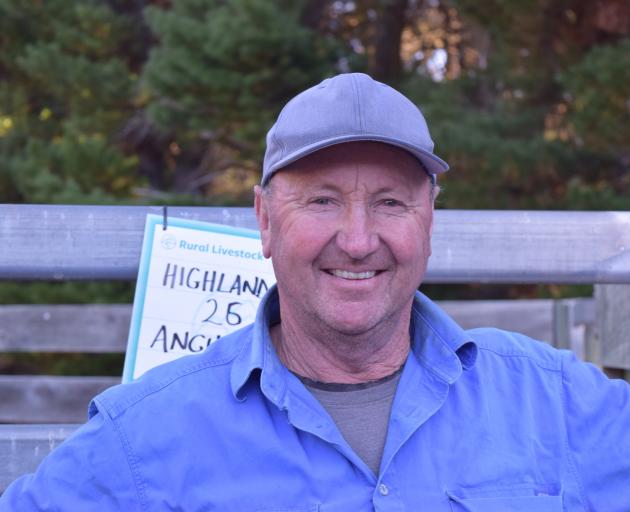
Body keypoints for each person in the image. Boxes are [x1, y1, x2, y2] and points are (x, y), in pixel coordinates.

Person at [1, 72, 629, 511]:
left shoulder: (558, 405)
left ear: (428, 224)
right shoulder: (145, 439)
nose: (357, 241)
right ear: (266, 221)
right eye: (323, 201)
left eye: (389, 203)